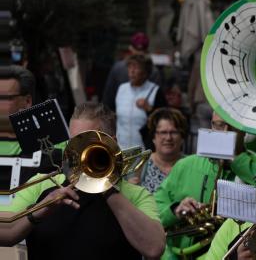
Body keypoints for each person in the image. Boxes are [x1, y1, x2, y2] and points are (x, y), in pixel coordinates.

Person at [0, 102, 165, 259]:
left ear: (111, 142)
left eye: (88, 141)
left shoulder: (136, 194)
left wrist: (107, 188)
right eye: (74, 142)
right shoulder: (43, 183)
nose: (78, 151)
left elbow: (154, 248)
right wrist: (40, 209)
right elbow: (5, 233)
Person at [154, 112, 256, 259]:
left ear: (244, 131)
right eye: (218, 125)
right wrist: (175, 210)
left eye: (232, 126)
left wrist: (236, 160)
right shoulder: (185, 165)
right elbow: (154, 211)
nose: (224, 132)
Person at [129, 107, 188, 193]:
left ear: (182, 137)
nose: (168, 138)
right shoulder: (139, 165)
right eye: (163, 132)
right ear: (153, 137)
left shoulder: (190, 165)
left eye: (174, 132)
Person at [115, 54, 167, 149]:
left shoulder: (155, 90)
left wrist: (149, 108)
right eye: (130, 67)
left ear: (145, 72)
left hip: (144, 150)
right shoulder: (122, 89)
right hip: (121, 149)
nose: (132, 71)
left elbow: (164, 120)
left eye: (136, 67)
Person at [102, 32, 162, 111]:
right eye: (130, 68)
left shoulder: (153, 71)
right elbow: (109, 98)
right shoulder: (118, 70)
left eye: (137, 69)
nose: (132, 72)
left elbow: (158, 101)